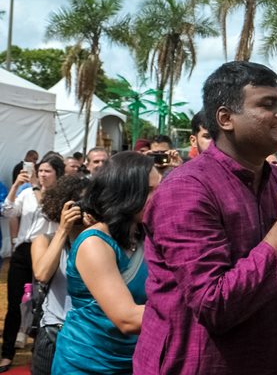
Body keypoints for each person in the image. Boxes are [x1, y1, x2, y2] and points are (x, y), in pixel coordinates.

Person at [133, 61, 277, 375]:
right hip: (194, 364)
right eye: (267, 104)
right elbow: (214, 305)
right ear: (226, 118)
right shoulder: (185, 190)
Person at [52, 152, 161, 374]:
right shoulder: (94, 243)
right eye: (150, 190)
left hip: (132, 360)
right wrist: (195, 308)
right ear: (126, 193)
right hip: (86, 363)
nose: (160, 196)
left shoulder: (145, 235)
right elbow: (127, 318)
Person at [0, 155, 65, 372]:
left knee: (42, 303)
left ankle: (39, 351)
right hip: (23, 250)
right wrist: (16, 186)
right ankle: (7, 353)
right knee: (15, 302)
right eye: (41, 170)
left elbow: (47, 211)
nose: (43, 174)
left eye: (48, 171)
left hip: (47, 250)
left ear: (57, 174)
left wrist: (36, 188)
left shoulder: (60, 196)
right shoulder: (26, 193)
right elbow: (7, 211)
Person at [30, 175, 91, 375]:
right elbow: (42, 274)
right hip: (54, 332)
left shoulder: (97, 242)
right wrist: (64, 229)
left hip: (88, 334)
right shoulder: (44, 240)